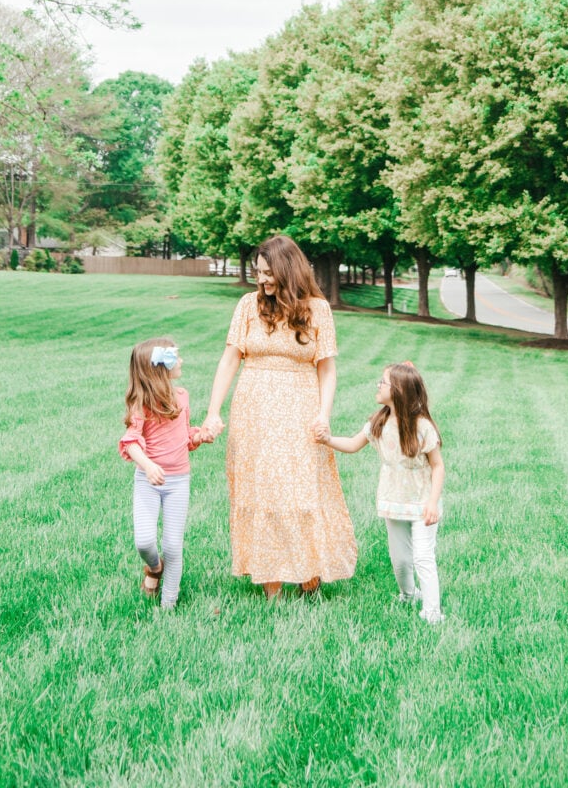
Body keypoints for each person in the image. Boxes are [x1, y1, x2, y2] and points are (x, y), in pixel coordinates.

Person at [202, 234, 357, 598]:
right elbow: (230, 359)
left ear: (288, 271)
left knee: (301, 491)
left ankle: (309, 576)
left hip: (299, 409)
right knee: (262, 492)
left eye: (269, 273)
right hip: (253, 409)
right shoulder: (247, 306)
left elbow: (327, 369)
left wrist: (324, 414)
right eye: (258, 273)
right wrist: (213, 411)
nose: (262, 280)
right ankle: (270, 582)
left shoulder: (318, 310)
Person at [317, 361, 445, 623]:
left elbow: (438, 466)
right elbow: (353, 444)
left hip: (423, 504)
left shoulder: (422, 427)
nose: (378, 385)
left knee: (422, 557)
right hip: (394, 502)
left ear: (398, 390)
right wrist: (328, 440)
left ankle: (433, 613)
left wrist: (433, 502)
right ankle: (409, 594)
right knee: (400, 559)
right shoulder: (380, 422)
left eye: (383, 382)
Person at [119, 336, 213, 609]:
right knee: (145, 542)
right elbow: (131, 440)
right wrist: (148, 466)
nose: (181, 360)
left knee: (173, 546)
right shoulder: (141, 403)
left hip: (178, 481)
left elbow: (184, 436)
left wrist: (201, 436)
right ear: (159, 367)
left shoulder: (182, 396)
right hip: (148, 481)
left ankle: (168, 604)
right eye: (175, 357)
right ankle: (154, 568)